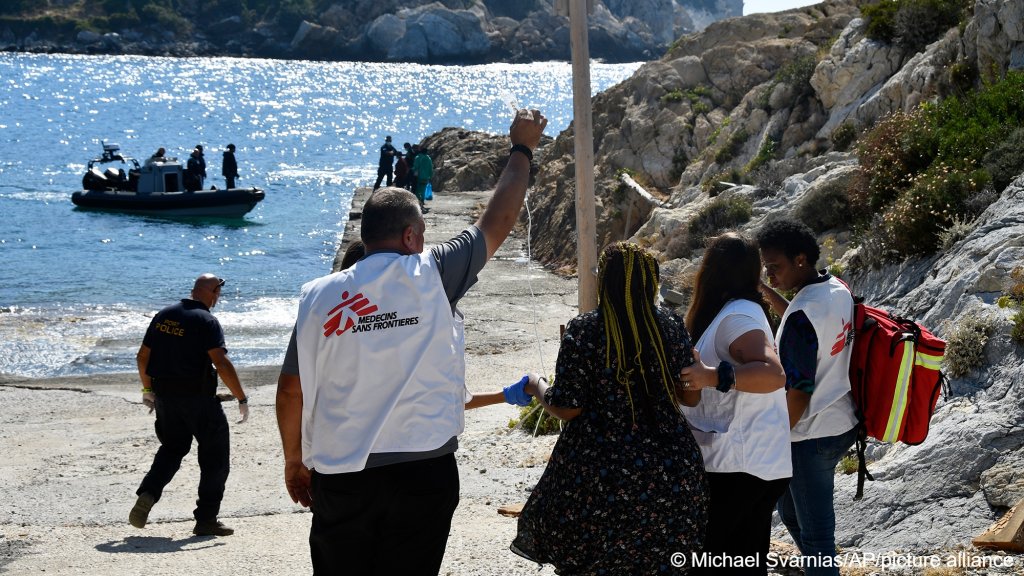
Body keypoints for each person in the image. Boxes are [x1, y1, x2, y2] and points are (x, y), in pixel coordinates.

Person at [275, 108, 547, 575]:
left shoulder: (318, 296)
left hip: (342, 474)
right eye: (421, 233)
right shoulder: (432, 273)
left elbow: (291, 390)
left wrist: (294, 460)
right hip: (425, 470)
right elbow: (498, 219)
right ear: (409, 236)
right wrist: (521, 148)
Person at [511, 242, 708, 574]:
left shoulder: (585, 330)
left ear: (603, 282)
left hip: (599, 475)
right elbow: (690, 398)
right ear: (652, 282)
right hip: (670, 470)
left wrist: (536, 385)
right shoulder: (671, 327)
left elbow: (568, 407)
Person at [679, 232, 790, 575]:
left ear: (710, 269)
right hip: (748, 463)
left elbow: (773, 374)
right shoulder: (731, 312)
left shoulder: (738, 315)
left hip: (740, 467)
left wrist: (712, 376)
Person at [756, 219, 858, 576]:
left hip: (808, 434)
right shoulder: (834, 288)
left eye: (774, 268)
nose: (771, 276)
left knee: (817, 541)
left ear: (800, 259)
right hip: (841, 421)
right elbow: (804, 325)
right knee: (789, 513)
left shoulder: (804, 313)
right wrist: (767, 292)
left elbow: (799, 392)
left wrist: (772, 437)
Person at [129, 273, 249, 537]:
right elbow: (221, 362)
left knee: (172, 449)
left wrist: (147, 390)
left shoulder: (164, 315)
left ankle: (148, 493)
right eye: (218, 292)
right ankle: (206, 519)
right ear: (212, 292)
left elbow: (142, 356)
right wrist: (241, 397)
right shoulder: (207, 321)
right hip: (199, 401)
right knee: (215, 459)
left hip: (166, 399)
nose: (219, 297)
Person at [413, 145, 434, 210]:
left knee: (417, 190)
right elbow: (431, 168)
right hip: (426, 177)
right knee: (423, 190)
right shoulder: (428, 158)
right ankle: (422, 202)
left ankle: (418, 204)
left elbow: (415, 167)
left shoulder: (418, 157)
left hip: (419, 177)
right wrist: (430, 176)